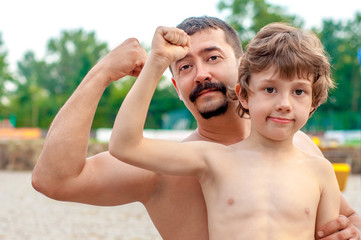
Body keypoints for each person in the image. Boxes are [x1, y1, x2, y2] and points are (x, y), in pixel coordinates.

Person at [31, 16, 361, 239]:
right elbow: (53, 179)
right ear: (176, 86)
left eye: (213, 57)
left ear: (244, 66)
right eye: (186, 66)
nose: (200, 73)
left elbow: (341, 219)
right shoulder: (165, 166)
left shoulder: (303, 149)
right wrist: (101, 73)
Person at [109, 23, 340, 239]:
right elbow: (124, 144)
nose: (284, 103)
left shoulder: (321, 171)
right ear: (244, 95)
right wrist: (157, 61)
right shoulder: (214, 159)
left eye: (299, 92)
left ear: (314, 103)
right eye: (270, 89)